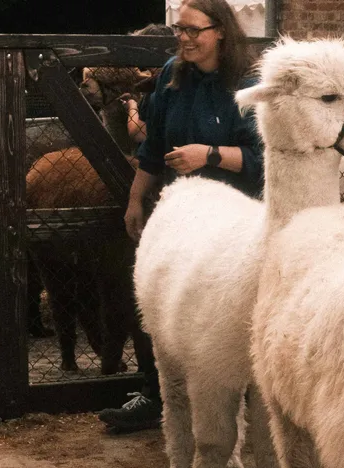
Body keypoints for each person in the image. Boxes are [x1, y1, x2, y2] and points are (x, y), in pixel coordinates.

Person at [98, 0, 261, 432]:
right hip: (180, 218)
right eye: (179, 30)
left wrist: (209, 154)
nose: (184, 39)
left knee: (222, 314)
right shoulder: (174, 74)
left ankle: (236, 409)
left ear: (220, 31)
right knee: (156, 299)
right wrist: (136, 199)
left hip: (232, 224)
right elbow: (153, 147)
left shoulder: (248, 85)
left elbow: (262, 160)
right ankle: (158, 396)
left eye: (193, 30)